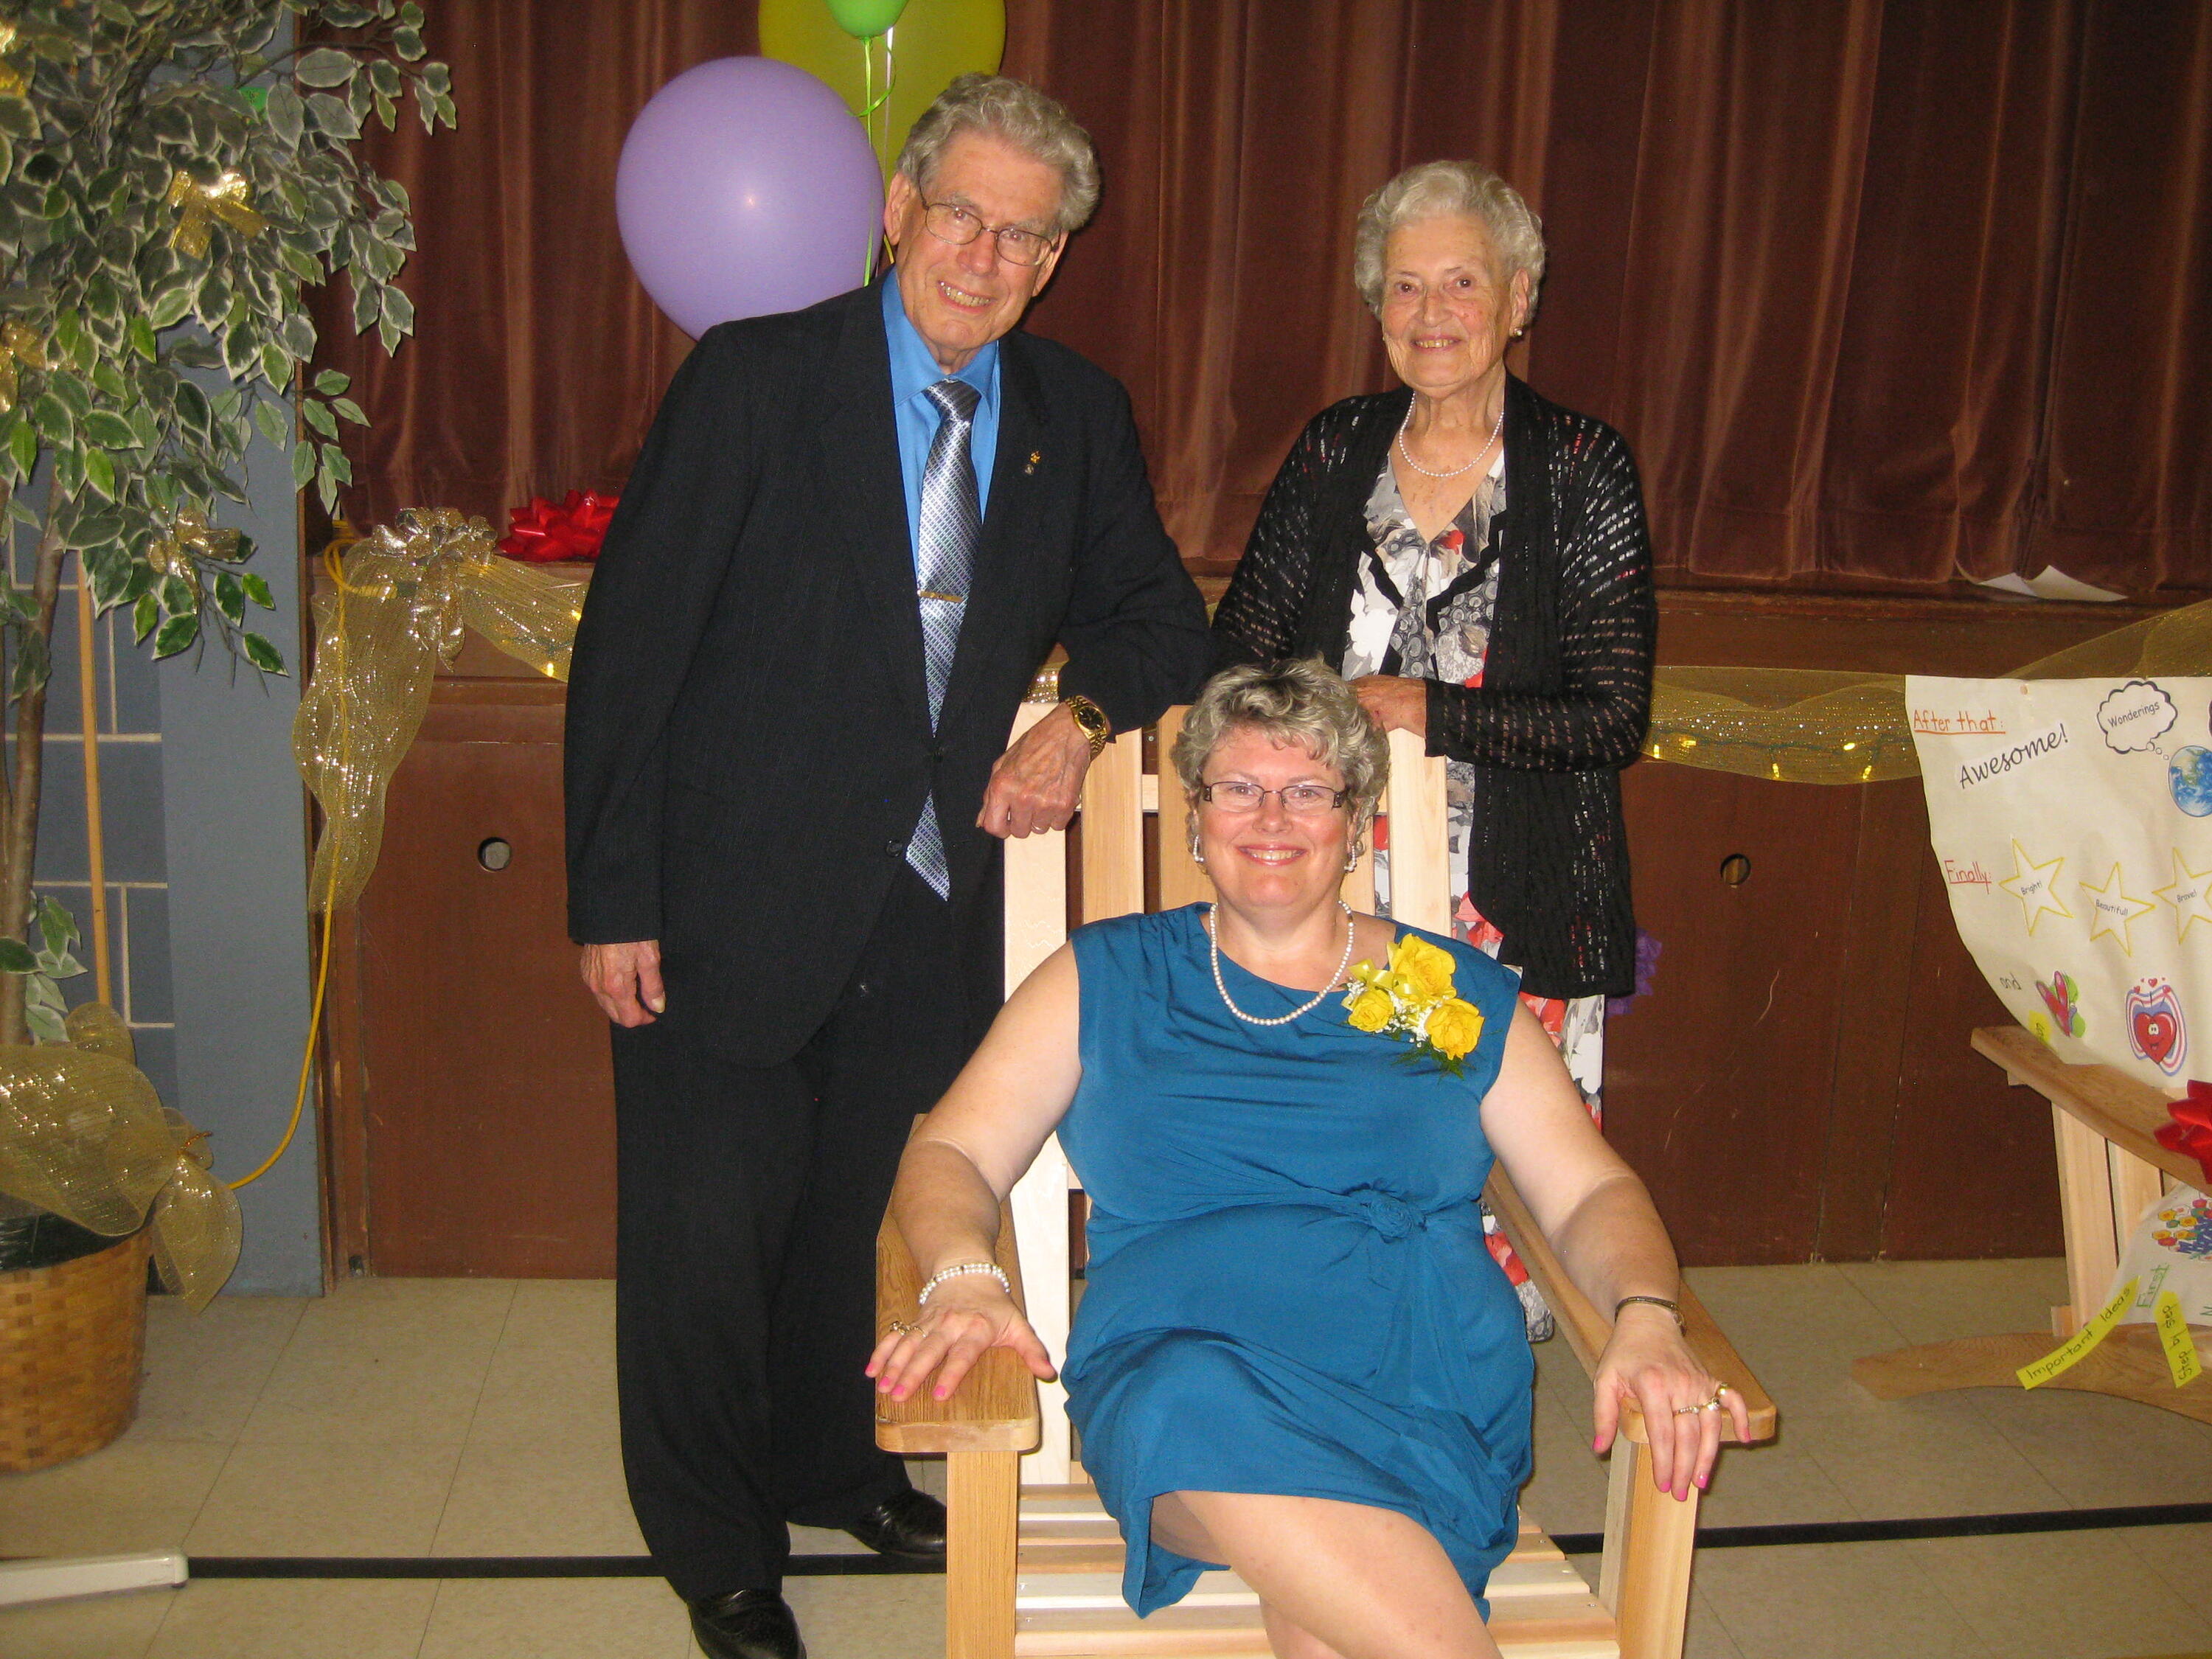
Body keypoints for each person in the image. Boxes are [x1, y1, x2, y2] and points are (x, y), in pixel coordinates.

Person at [564, 74, 1211, 1659]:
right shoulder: (755, 379)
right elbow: (632, 647)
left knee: (858, 1220)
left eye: (1024, 236)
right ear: (899, 211)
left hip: (931, 909)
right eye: (963, 216)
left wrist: (1076, 724)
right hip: (721, 903)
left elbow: (1159, 618)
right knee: (706, 1246)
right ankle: (720, 1554)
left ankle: (830, 1465)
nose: (985, 257)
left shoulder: (1074, 415)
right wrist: (612, 897)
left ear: (1054, 260)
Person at [870, 661, 1744, 1659]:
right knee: (1199, 1406)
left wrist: (1645, 1312)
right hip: (1185, 1371)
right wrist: (963, 1274)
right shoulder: (1105, 976)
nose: (1271, 818)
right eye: (1239, 787)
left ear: (1355, 819)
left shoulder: (1443, 991)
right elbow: (952, 1147)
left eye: (1308, 791)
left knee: (1326, 1622)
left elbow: (1587, 1189)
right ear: (1197, 817)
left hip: (1420, 1379)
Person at [1210, 161, 1657, 1336]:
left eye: (1462, 282)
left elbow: (1612, 716)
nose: (1431, 313)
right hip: (1331, 890)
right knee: (1335, 1159)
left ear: (1519, 298)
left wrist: (1431, 714)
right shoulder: (1334, 451)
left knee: (1497, 1185)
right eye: (1404, 287)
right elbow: (1238, 655)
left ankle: (1470, 1383)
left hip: (1511, 894)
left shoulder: (1581, 465)